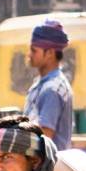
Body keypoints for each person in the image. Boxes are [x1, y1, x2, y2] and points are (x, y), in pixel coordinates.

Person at [23, 19, 75, 149]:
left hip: (46, 167)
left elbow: (43, 138)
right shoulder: (41, 84)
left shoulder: (52, 89)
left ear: (50, 53)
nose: (29, 55)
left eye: (34, 51)